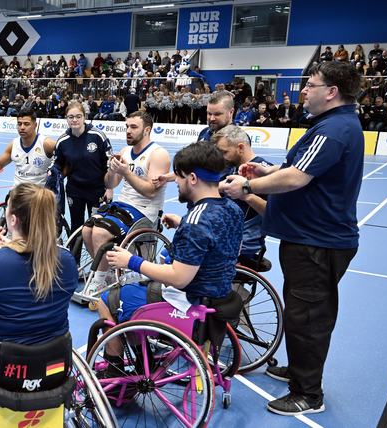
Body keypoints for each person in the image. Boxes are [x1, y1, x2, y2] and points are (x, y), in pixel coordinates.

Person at [223, 61, 363, 416]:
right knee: (303, 313)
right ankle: (301, 372)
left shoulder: (333, 129)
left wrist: (250, 184)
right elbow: (306, 172)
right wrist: (268, 170)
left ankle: (308, 394)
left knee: (309, 318)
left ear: (331, 92)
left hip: (317, 242)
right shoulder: (332, 125)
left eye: (311, 85)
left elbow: (298, 178)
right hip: (311, 238)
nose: (303, 90)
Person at [101, 141, 243, 337]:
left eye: (179, 176)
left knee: (108, 299)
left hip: (187, 300)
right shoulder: (233, 208)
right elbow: (233, 248)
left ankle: (118, 366)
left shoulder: (196, 221)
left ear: (193, 178)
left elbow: (179, 278)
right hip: (219, 293)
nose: (175, 181)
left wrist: (131, 261)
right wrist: (182, 224)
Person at [0, 183, 78, 359]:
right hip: (54, 357)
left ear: (13, 220)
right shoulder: (67, 260)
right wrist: (8, 247)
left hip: (4, 363)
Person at [80, 111, 170, 291]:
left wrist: (126, 172)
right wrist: (113, 171)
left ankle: (99, 280)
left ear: (147, 130)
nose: (128, 131)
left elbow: (151, 192)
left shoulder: (158, 154)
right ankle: (105, 274)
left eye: (133, 127)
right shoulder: (125, 151)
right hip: (122, 205)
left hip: (144, 210)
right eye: (127, 127)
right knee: (87, 229)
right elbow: (110, 183)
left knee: (100, 232)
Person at [212, 125, 272, 270]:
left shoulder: (263, 172)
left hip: (242, 243)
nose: (221, 157)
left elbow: (272, 213)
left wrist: (247, 196)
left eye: (224, 152)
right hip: (227, 238)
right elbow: (224, 184)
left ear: (240, 147)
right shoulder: (237, 167)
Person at [52, 102, 113, 234]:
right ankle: (75, 255)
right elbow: (57, 162)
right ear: (66, 119)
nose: (75, 120)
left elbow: (109, 163)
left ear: (85, 117)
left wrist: (110, 188)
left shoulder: (97, 136)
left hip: (97, 190)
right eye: (71, 117)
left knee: (96, 228)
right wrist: (52, 172)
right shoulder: (63, 141)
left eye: (78, 116)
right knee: (76, 226)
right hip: (74, 189)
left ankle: (96, 255)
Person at [0, 108, 55, 188]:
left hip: (40, 194)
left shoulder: (47, 144)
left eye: (26, 124)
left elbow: (65, 162)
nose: (22, 127)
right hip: (18, 193)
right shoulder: (14, 144)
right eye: (19, 124)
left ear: (35, 125)